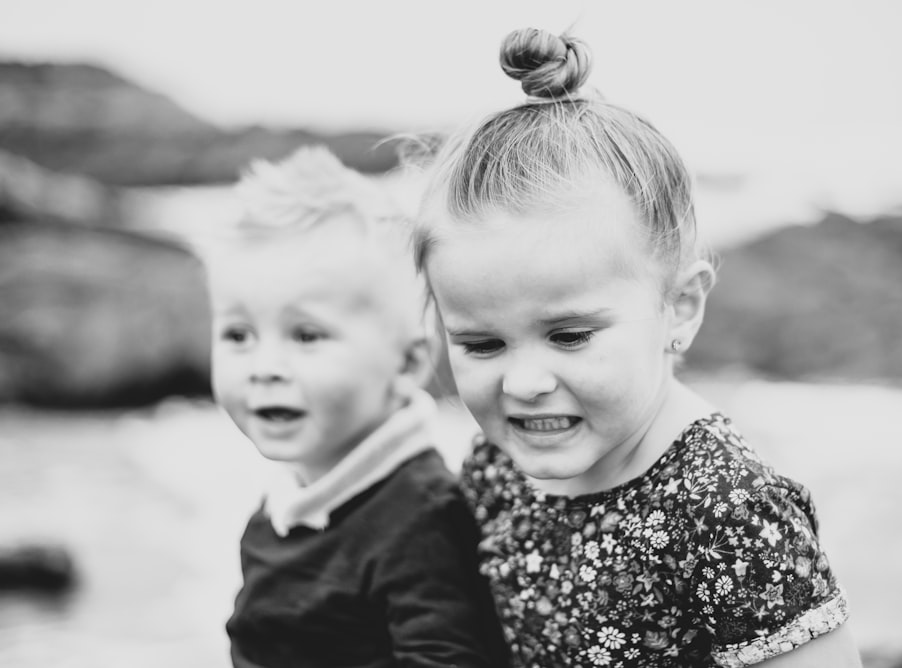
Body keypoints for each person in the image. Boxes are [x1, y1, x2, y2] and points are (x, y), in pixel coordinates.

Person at [410, 28, 862, 668]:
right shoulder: (498, 464)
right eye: (482, 344)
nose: (523, 383)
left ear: (679, 306)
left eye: (569, 336)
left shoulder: (723, 507)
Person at [205, 146, 508, 668]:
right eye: (239, 334)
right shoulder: (283, 505)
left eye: (306, 335)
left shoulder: (421, 517)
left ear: (408, 363)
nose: (265, 366)